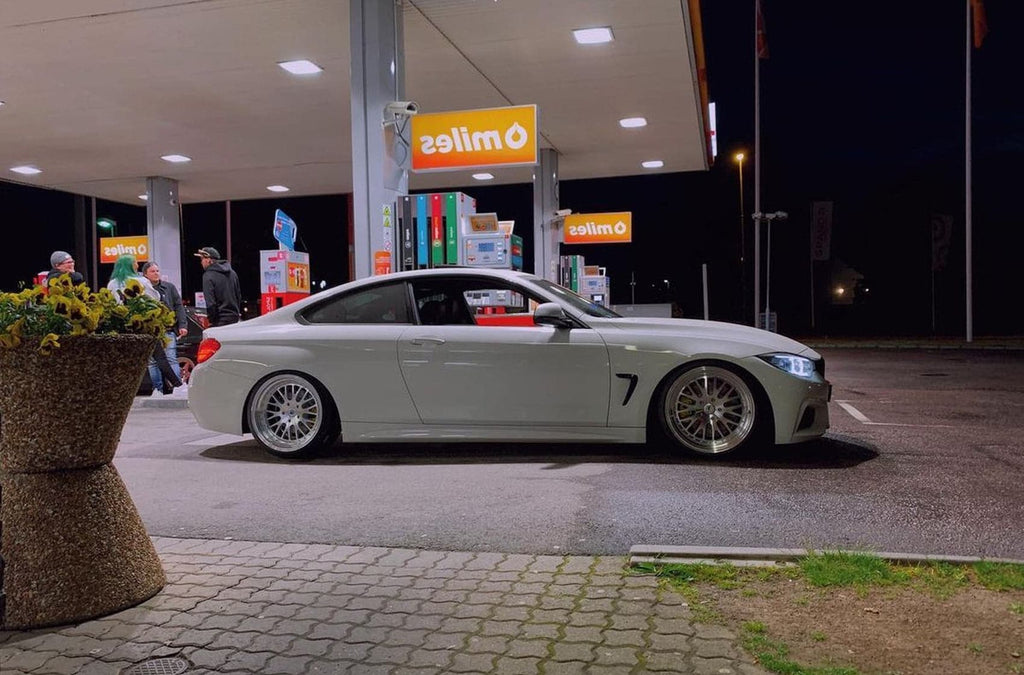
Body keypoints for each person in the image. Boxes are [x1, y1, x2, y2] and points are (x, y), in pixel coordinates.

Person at [107, 254, 183, 395]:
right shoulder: (141, 281)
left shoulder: (112, 283)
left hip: (123, 326)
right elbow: (155, 298)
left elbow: (112, 303)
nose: (137, 264)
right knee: (159, 357)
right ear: (130, 265)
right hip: (144, 324)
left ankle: (125, 391)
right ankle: (177, 386)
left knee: (130, 361)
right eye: (135, 262)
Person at [142, 261, 188, 392]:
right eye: (152, 271)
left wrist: (182, 325)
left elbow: (179, 307)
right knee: (153, 362)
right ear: (145, 274)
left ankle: (176, 388)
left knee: (171, 358)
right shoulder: (143, 289)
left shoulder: (169, 287)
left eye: (157, 271)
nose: (156, 273)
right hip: (151, 330)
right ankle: (158, 389)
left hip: (168, 329)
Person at [194, 246, 241, 326]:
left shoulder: (208, 275)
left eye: (202, 259)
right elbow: (238, 296)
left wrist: (211, 320)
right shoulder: (232, 273)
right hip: (234, 318)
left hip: (219, 320)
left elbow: (211, 303)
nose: (201, 262)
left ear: (209, 260)